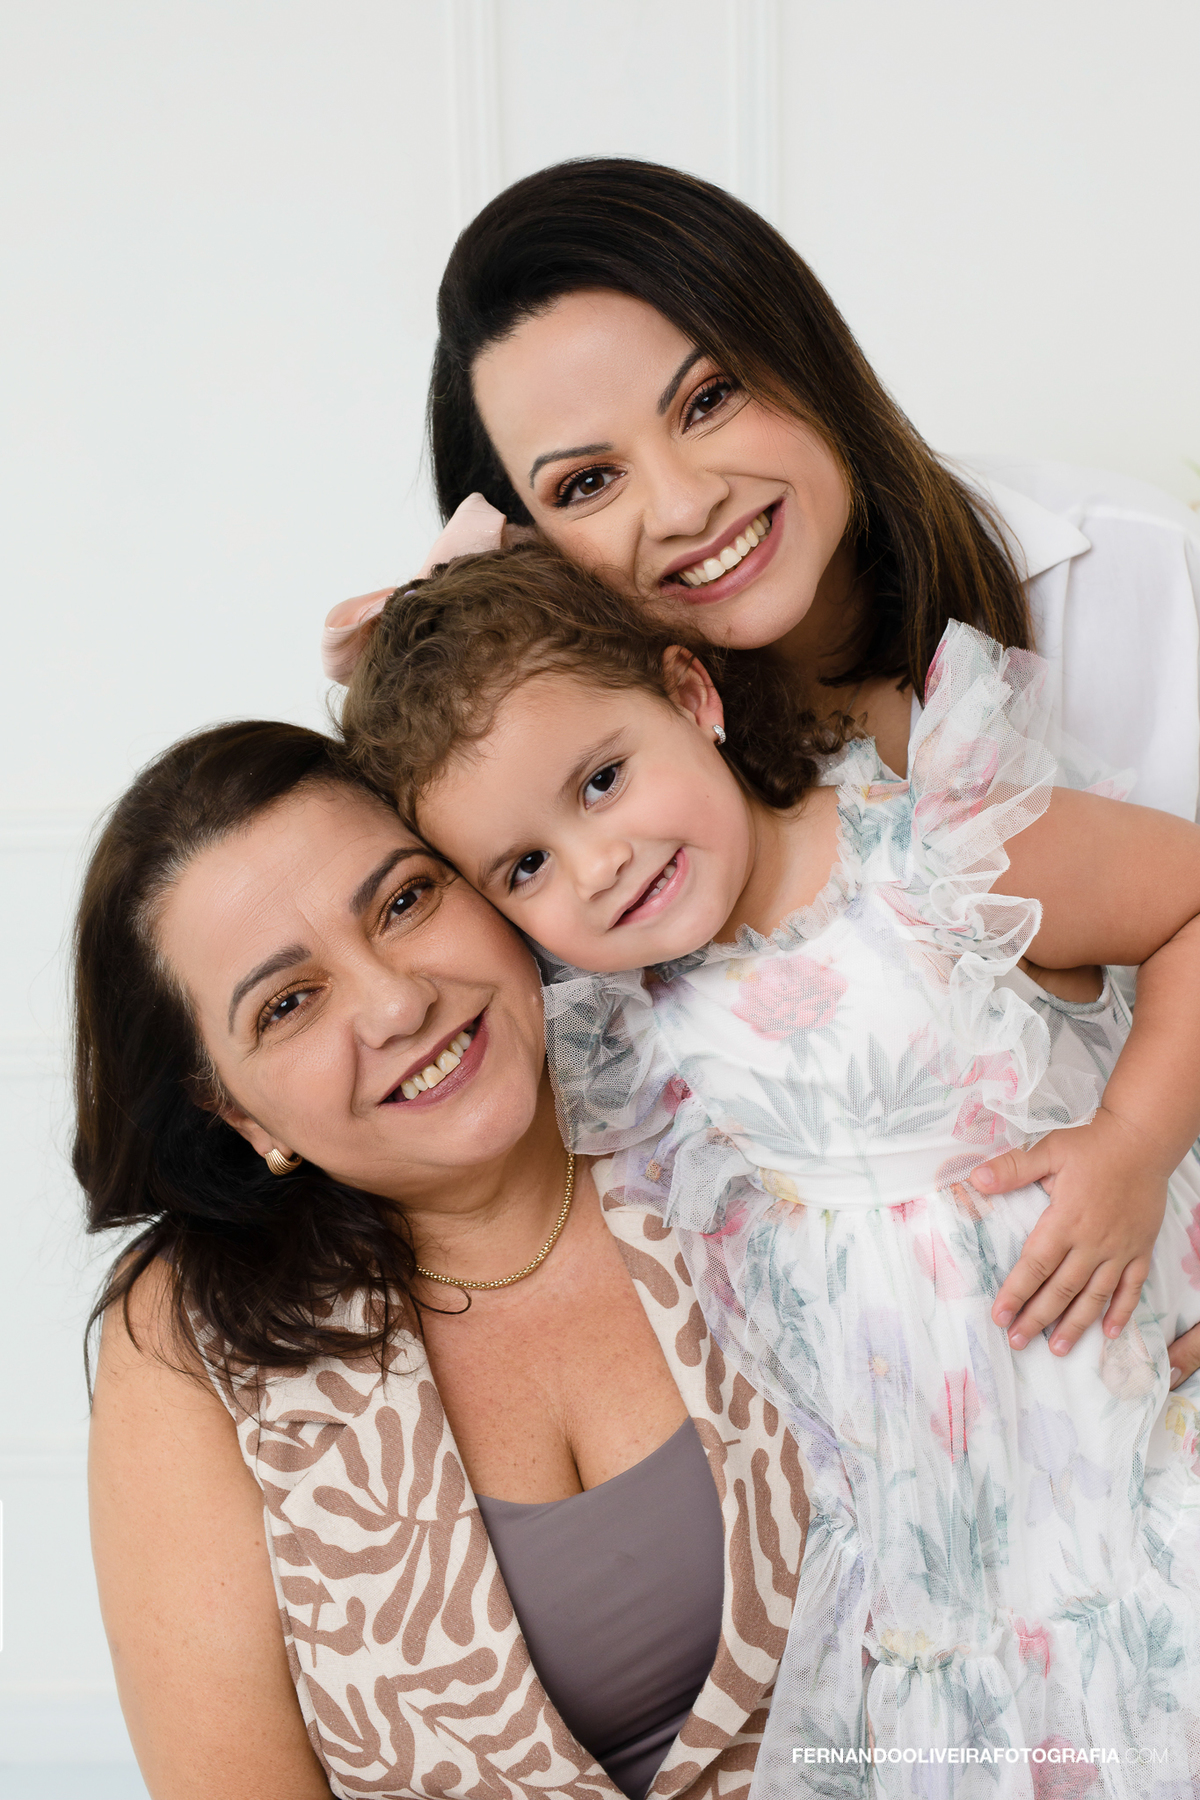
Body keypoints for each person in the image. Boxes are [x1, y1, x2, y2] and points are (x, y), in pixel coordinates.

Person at [323, 153, 1200, 1388]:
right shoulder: (622, 833)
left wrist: (1148, 1158)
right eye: (588, 482)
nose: (683, 503)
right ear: (528, 545)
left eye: (709, 398)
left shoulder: (1129, 577)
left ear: (803, 350)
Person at [337, 542, 1200, 1790]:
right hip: (937, 1594)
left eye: (602, 781)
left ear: (692, 695)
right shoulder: (623, 1026)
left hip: (1143, 1458)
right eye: (523, 867)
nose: (597, 865)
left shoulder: (933, 858)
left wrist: (1136, 1141)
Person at [78, 721, 808, 1800]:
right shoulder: (188, 1340)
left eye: (407, 901)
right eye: (288, 1004)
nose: (395, 1001)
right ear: (236, 1112)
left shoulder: (746, 1094)